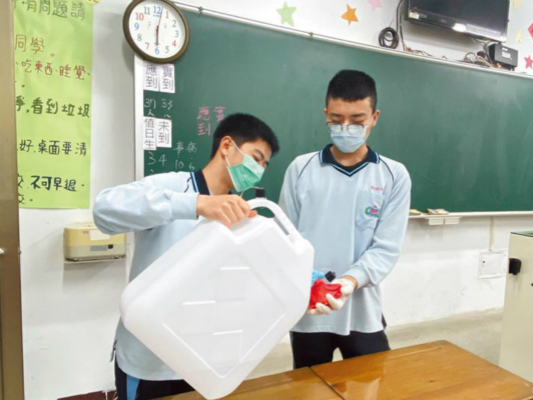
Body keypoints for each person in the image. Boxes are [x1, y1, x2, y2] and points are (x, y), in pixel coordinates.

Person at [93, 113, 279, 400]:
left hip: (203, 362)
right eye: (256, 158)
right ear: (227, 146)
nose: (259, 170)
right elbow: (105, 210)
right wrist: (196, 204)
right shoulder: (173, 187)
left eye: (265, 164)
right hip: (149, 361)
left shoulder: (241, 214)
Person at [279, 70, 411, 369]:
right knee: (311, 387)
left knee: (371, 384)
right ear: (326, 114)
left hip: (362, 310)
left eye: (357, 120)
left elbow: (386, 248)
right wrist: (309, 283)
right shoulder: (301, 169)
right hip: (310, 311)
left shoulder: (393, 175)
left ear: (374, 117)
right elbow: (286, 240)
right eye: (336, 120)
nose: (346, 128)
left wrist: (349, 282)